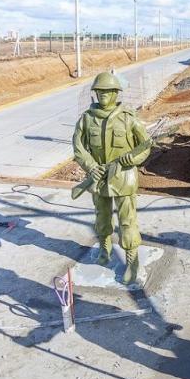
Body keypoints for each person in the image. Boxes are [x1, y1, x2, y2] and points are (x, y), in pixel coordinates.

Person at [72, 72, 151, 285]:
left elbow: (145, 146)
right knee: (102, 216)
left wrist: (131, 160)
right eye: (100, 91)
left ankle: (132, 261)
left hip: (123, 178)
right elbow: (78, 147)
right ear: (95, 93)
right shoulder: (87, 119)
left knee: (127, 221)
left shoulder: (128, 118)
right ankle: (104, 248)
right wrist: (90, 166)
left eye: (108, 91)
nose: (104, 95)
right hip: (98, 178)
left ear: (116, 93)